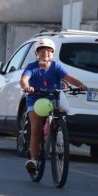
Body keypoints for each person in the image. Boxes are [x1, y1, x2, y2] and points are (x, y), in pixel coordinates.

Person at [20, 37, 87, 173]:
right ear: (37, 53)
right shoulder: (31, 67)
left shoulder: (56, 67)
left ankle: (58, 132)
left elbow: (69, 77)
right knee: (36, 129)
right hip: (35, 100)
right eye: (43, 50)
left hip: (52, 99)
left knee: (62, 112)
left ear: (53, 54)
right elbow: (24, 79)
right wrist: (27, 87)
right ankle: (33, 159)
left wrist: (80, 84)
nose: (46, 53)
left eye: (50, 51)